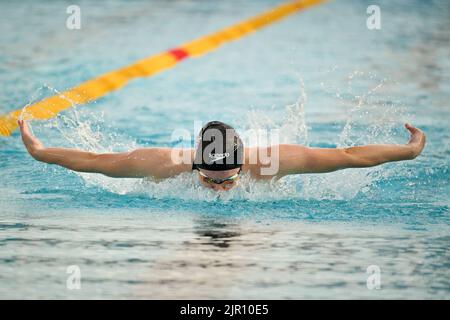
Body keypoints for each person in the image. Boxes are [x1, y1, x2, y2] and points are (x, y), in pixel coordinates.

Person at [18, 119, 426, 192]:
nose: (219, 189)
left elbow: (350, 156)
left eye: (228, 180)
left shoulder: (272, 163)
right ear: (196, 163)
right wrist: (40, 151)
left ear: (242, 163)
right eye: (210, 180)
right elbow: (95, 162)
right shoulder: (164, 165)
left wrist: (407, 152)